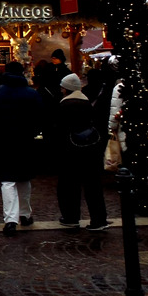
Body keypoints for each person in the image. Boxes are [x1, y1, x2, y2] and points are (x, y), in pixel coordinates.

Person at [0, 61, 44, 236]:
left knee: (7, 181)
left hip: (2, 142)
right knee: (24, 179)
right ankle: (25, 214)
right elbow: (41, 117)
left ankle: (10, 220)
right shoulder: (32, 93)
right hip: (26, 141)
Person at [55, 73, 110, 231]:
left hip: (70, 151)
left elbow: (59, 130)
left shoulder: (64, 105)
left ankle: (71, 217)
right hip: (91, 150)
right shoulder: (87, 103)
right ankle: (99, 219)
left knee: (69, 185)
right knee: (93, 185)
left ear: (67, 89)